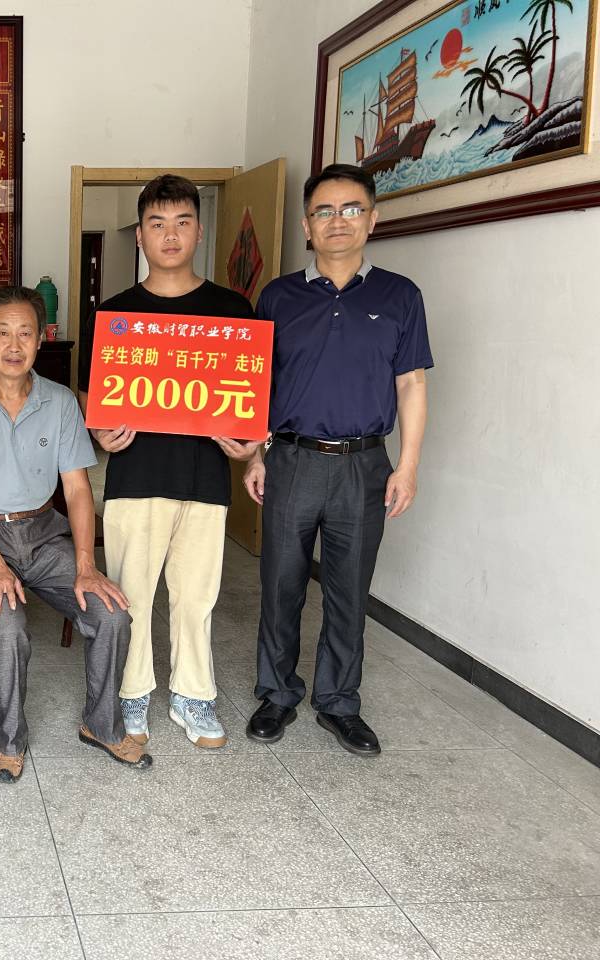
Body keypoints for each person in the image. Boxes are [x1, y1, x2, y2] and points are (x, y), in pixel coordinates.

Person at [234, 163, 432, 756]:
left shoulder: (400, 296)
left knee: (349, 590)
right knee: (281, 585)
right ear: (306, 225)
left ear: (372, 219)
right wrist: (256, 455)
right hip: (291, 459)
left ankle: (340, 702)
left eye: (351, 210)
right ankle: (277, 693)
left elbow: (411, 384)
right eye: (324, 211)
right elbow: (258, 383)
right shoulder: (278, 296)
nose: (337, 221)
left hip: (364, 466)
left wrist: (408, 465)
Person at [0, 285, 152, 782]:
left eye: (25, 333)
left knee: (112, 614)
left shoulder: (59, 401)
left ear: (40, 339)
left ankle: (101, 725)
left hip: (44, 533)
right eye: (3, 333)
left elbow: (77, 489)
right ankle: (11, 741)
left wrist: (86, 564)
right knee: (8, 630)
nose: (14, 345)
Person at [79, 174, 261, 750]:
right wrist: (101, 433)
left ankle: (193, 694)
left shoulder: (232, 310)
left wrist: (253, 444)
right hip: (136, 478)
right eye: (157, 224)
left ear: (199, 231)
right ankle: (132, 691)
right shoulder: (117, 315)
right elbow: (91, 394)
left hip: (206, 478)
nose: (171, 235)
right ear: (140, 235)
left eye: (183, 222)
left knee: (197, 595)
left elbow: (253, 397)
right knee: (130, 593)